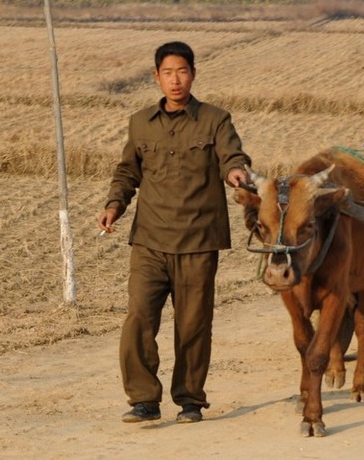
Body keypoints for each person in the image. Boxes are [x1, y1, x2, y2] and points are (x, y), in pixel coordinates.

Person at [97, 41, 251, 425]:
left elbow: (233, 155)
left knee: (193, 324)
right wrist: (114, 205)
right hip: (149, 239)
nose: (175, 80)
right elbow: (128, 172)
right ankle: (144, 400)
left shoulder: (216, 119)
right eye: (167, 73)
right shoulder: (140, 122)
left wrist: (236, 173)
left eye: (182, 71)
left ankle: (190, 400)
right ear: (156, 77)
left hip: (198, 240)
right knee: (138, 319)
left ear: (193, 74)